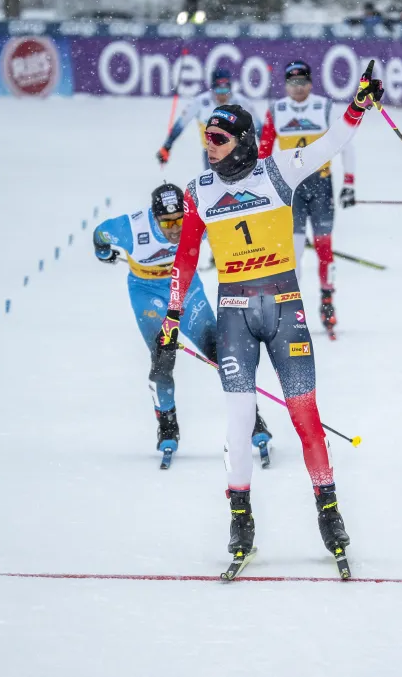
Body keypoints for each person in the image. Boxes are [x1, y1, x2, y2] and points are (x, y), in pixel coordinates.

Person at [157, 65, 384, 565]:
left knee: (306, 417)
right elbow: (187, 258)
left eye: (217, 137)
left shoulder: (278, 169)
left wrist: (358, 104)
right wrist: (173, 315)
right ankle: (241, 518)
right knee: (239, 420)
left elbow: (330, 142)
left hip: (285, 309)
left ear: (238, 141)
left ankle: (329, 511)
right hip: (235, 314)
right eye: (207, 137)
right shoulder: (199, 191)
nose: (209, 144)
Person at [92, 184, 273, 464]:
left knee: (221, 355)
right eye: (168, 223)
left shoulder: (197, 219)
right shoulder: (130, 228)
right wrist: (103, 252)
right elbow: (100, 234)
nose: (176, 229)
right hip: (147, 293)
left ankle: (253, 421)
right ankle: (167, 427)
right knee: (163, 359)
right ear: (155, 217)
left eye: (180, 221)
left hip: (186, 288)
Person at [258, 60, 356, 339]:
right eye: (292, 83)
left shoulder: (324, 107)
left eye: (302, 83)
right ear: (285, 85)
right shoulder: (276, 110)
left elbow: (346, 144)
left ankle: (327, 302)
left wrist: (349, 182)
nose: (298, 88)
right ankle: (291, 311)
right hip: (293, 189)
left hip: (321, 186)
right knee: (294, 252)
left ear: (311, 84)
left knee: (326, 249)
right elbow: (264, 152)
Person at [157, 67, 261, 170]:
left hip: (238, 152)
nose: (222, 94)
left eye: (225, 89)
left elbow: (259, 128)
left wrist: (264, 150)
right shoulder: (200, 102)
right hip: (212, 151)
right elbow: (181, 124)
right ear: (212, 88)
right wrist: (167, 146)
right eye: (219, 89)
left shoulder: (242, 102)